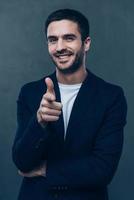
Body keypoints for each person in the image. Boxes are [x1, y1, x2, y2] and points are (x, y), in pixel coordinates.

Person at [12, 8, 127, 200]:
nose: (59, 47)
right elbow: (22, 162)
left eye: (69, 38)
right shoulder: (30, 93)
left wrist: (45, 169)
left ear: (86, 43)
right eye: (53, 40)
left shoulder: (111, 96)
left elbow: (103, 169)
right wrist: (39, 121)